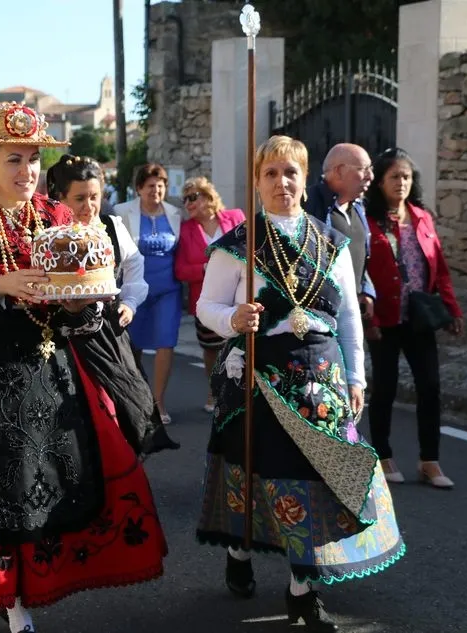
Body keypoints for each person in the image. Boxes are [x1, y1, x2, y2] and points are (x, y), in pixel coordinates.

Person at [0, 102, 167, 633]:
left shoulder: (60, 219)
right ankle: (16, 607)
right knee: (7, 495)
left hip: (56, 370)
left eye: (33, 159)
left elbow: (88, 297)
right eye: (14, 159)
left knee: (78, 477)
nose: (26, 170)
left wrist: (83, 304)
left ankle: (53, 581)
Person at [196, 135, 404, 630]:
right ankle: (241, 551)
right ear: (256, 183)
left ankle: (302, 588)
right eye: (270, 174)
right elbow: (207, 307)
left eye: (290, 172)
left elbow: (349, 317)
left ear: (304, 180)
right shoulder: (236, 246)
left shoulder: (331, 242)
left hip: (323, 379)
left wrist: (356, 376)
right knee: (256, 477)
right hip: (259, 379)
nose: (281, 182)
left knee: (316, 481)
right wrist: (234, 319)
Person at [46, 154, 177, 457]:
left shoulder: (112, 226)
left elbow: (134, 266)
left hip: (109, 332)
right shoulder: (49, 235)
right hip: (64, 339)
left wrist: (129, 302)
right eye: (79, 198)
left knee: (126, 407)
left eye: (94, 197)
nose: (88, 206)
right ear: (60, 197)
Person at [363, 148, 463, 489]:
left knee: (431, 387)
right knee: (386, 388)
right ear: (379, 182)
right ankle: (382, 455)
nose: (401, 183)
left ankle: (429, 461)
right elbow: (359, 269)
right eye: (394, 177)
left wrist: (450, 309)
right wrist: (366, 316)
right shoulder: (368, 220)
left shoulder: (422, 218)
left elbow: (441, 270)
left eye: (406, 177)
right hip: (385, 318)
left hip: (419, 317)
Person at [113, 164, 183, 424]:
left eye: (161, 185)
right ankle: (136, 398)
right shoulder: (122, 212)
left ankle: (158, 402)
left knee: (166, 342)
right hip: (134, 290)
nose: (157, 190)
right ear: (139, 188)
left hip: (168, 290)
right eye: (151, 185)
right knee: (133, 347)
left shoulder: (176, 213)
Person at [174, 177, 245, 413]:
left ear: (208, 196)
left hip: (238, 296)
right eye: (185, 200)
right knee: (212, 351)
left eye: (193, 197)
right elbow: (181, 270)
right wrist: (204, 269)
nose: (188, 203)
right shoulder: (186, 231)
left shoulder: (235, 218)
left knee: (237, 346)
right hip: (206, 299)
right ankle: (214, 391)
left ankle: (238, 392)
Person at [305, 143, 377, 321]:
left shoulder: (359, 207)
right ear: (338, 171)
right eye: (363, 169)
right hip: (320, 313)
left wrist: (365, 289)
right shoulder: (308, 205)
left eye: (371, 169)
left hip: (352, 310)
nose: (370, 176)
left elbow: (360, 254)